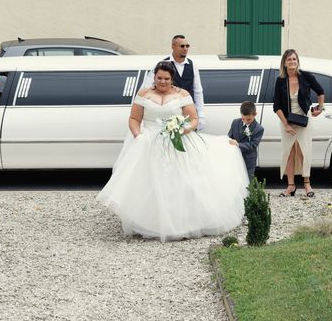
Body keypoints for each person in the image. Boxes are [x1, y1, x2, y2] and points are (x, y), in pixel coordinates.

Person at [97, 61, 249, 241]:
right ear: (154, 77)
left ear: (172, 79)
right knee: (149, 183)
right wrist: (138, 136)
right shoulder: (143, 94)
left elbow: (193, 119)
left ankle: (183, 222)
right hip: (150, 143)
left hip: (177, 141)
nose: (163, 82)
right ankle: (152, 223)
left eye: (166, 79)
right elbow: (134, 119)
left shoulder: (182, 94)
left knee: (183, 182)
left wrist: (183, 129)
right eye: (159, 78)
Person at [273, 49, 325, 197]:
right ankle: (290, 186)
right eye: (289, 59)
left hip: (304, 119)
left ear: (298, 61)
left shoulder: (306, 76)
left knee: (304, 152)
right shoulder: (280, 80)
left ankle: (307, 185)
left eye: (294, 59)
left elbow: (320, 92)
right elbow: (276, 106)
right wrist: (286, 125)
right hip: (287, 121)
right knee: (288, 152)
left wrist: (320, 108)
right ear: (284, 62)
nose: (292, 62)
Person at [141, 35, 206, 130]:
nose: (185, 48)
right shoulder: (162, 64)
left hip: (188, 115)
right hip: (168, 114)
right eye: (182, 46)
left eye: (187, 46)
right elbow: (146, 90)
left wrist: (200, 115)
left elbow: (198, 91)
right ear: (173, 46)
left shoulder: (192, 65)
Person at [228, 101, 264, 181]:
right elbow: (229, 136)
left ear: (255, 114)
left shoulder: (258, 129)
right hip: (235, 157)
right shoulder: (235, 122)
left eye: (249, 119)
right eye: (243, 118)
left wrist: (238, 144)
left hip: (249, 160)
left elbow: (253, 145)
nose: (245, 121)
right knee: (235, 179)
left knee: (247, 180)